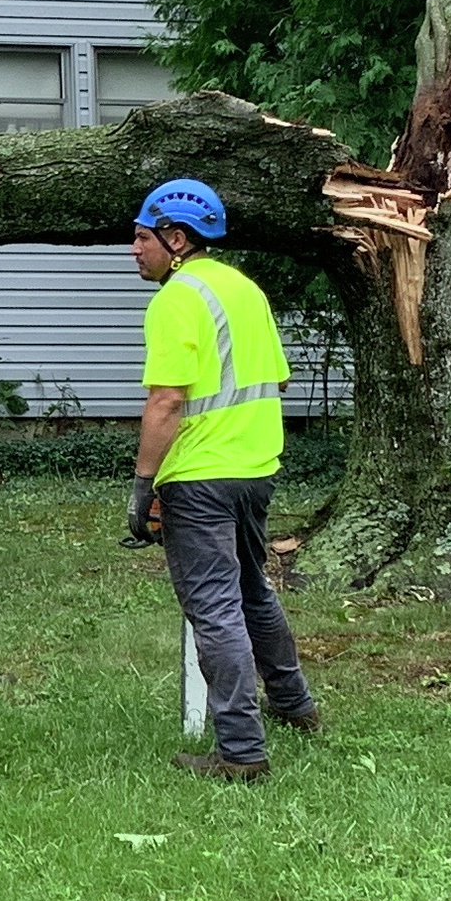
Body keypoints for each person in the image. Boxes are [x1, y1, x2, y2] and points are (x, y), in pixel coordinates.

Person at [123, 176, 323, 783]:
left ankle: (239, 750)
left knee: (214, 607)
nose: (133, 249)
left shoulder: (177, 298)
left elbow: (165, 402)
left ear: (176, 238)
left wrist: (142, 485)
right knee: (253, 592)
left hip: (201, 477)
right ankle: (295, 707)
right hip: (256, 468)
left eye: (140, 238)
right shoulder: (244, 290)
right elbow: (278, 379)